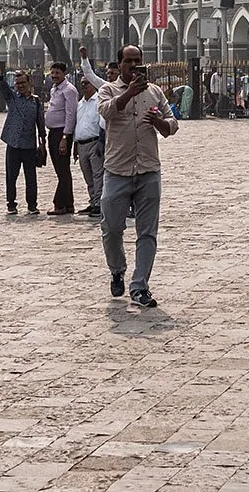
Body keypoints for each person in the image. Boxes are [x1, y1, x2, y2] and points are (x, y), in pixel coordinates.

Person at [80, 47, 176, 308]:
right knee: (111, 228)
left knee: (147, 232)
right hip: (117, 171)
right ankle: (117, 269)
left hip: (148, 170)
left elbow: (172, 125)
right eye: (128, 61)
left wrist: (159, 123)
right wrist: (129, 92)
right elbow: (107, 112)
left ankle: (140, 286)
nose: (133, 66)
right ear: (119, 64)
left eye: (137, 61)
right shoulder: (108, 90)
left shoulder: (154, 92)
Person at [0, 47, 46, 216]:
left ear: (30, 83)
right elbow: (0, 80)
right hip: (13, 142)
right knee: (11, 176)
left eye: (23, 83)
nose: (20, 86)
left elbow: (40, 124)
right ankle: (11, 204)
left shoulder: (36, 102)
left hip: (29, 144)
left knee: (31, 177)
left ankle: (32, 205)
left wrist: (42, 142)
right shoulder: (12, 97)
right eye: (18, 84)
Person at [45, 60, 79, 215]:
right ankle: (68, 204)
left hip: (62, 133)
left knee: (62, 170)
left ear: (64, 74)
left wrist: (65, 136)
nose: (54, 75)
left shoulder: (69, 90)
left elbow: (71, 114)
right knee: (61, 170)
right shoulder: (54, 90)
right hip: (53, 132)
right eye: (53, 73)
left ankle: (59, 203)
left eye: (57, 73)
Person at [73, 70, 105, 217]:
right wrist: (75, 145)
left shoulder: (99, 102)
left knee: (98, 175)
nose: (84, 86)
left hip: (94, 142)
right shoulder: (80, 104)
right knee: (88, 176)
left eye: (87, 83)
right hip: (81, 144)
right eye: (82, 83)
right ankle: (93, 200)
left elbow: (102, 124)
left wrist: (101, 142)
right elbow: (77, 125)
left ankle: (99, 203)